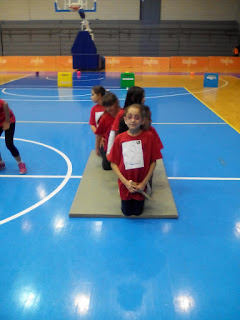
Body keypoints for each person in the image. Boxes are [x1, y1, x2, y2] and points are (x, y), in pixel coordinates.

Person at [108, 104, 161, 216]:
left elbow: (153, 162)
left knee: (138, 212)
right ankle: (123, 191)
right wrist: (125, 183)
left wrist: (144, 183)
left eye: (137, 117)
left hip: (141, 183)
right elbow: (113, 163)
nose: (133, 120)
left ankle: (147, 188)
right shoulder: (120, 138)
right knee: (126, 212)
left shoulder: (149, 136)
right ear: (125, 120)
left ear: (142, 121)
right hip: (125, 183)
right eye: (130, 117)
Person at [107, 86, 145, 155]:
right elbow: (113, 132)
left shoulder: (143, 113)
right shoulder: (122, 113)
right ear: (134, 98)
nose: (144, 99)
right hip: (124, 146)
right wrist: (109, 151)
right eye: (142, 97)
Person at [95, 92, 122, 170]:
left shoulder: (124, 114)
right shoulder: (104, 118)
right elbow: (99, 134)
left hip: (121, 144)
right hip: (109, 145)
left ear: (116, 103)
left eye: (111, 105)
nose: (109, 108)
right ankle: (102, 150)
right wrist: (97, 148)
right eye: (106, 106)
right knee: (106, 167)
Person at [0, 99, 27, 174]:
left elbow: (5, 104)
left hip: (8, 120)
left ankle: (20, 163)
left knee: (9, 144)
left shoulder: (1, 103)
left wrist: (7, 121)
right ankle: (1, 163)